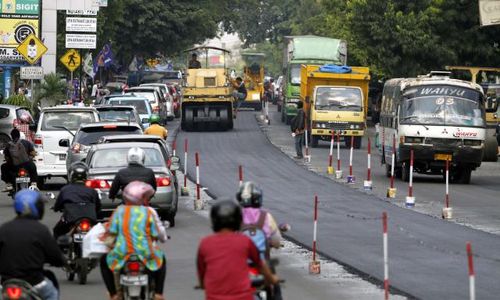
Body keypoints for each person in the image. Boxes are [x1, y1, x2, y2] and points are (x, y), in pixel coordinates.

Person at [197, 199, 279, 300]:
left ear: (214, 221)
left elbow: (202, 272)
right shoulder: (244, 241)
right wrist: (272, 279)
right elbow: (260, 264)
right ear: (238, 220)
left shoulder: (205, 243)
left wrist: (202, 284)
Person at [100, 181, 167, 300]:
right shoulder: (148, 212)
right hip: (146, 253)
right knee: (162, 260)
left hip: (121, 253)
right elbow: (155, 233)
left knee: (104, 261)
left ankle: (114, 294)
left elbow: (111, 231)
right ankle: (158, 294)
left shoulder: (119, 211)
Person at [0, 189, 65, 300]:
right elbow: (55, 257)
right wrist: (62, 261)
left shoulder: (4, 229)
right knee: (52, 294)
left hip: (6, 283)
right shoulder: (41, 230)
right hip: (35, 283)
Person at [52, 162, 101, 239]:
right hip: (90, 219)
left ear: (71, 176)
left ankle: (58, 251)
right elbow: (98, 207)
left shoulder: (65, 189)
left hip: (71, 219)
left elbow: (58, 205)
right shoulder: (92, 191)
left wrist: (56, 208)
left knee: (57, 231)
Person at [237, 181, 282, 252]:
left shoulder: (234, 215)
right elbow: (276, 241)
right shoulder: (266, 216)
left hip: (240, 257)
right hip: (261, 259)